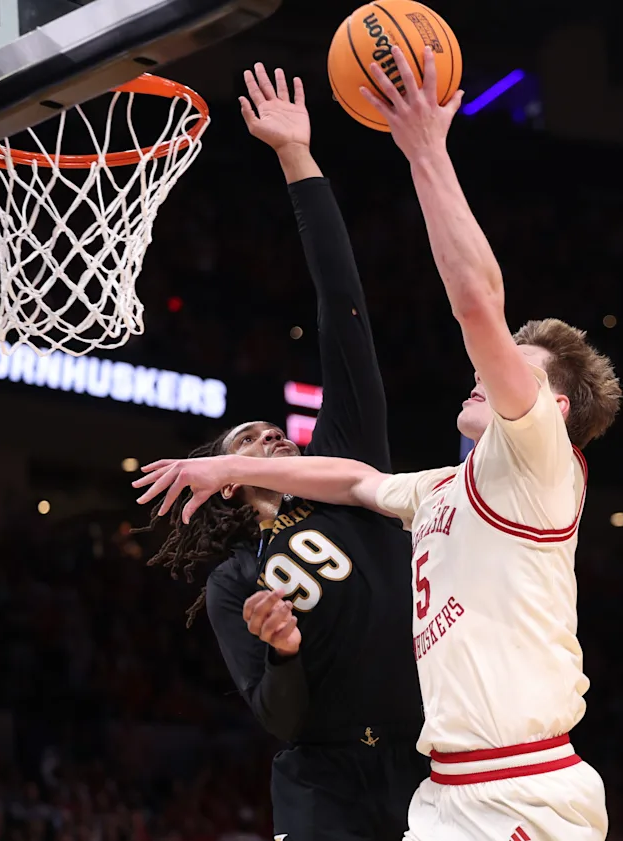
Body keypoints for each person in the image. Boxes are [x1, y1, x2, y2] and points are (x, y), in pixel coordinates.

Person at [134, 47, 622, 841]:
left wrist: (425, 149)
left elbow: (472, 306)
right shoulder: (434, 490)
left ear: (552, 405)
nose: (484, 374)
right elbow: (359, 481)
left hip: (519, 787)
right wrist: (229, 462)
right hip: (437, 789)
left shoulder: (537, 456)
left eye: (510, 373)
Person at [137, 64, 428, 841]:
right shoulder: (236, 581)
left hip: (424, 762)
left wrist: (297, 158)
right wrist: (284, 651)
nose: (269, 436)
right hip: (321, 779)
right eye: (245, 443)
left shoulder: (344, 463)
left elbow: (343, 311)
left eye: (272, 436)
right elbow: (277, 716)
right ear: (225, 485)